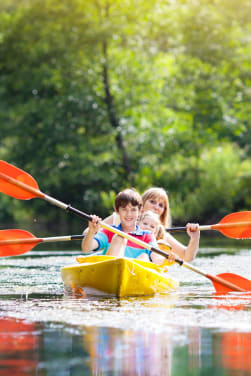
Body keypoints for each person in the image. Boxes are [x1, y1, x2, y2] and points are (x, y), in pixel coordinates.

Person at [103, 187, 200, 262]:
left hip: (141, 269)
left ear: (163, 211)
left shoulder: (162, 235)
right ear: (141, 204)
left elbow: (187, 256)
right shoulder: (119, 218)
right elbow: (90, 232)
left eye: (161, 205)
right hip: (114, 262)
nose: (156, 207)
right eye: (152, 201)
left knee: (145, 256)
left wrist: (195, 238)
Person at [81, 188, 161, 263]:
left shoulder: (147, 236)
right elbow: (86, 248)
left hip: (133, 273)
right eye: (124, 209)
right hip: (110, 270)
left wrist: (166, 259)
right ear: (117, 211)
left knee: (144, 256)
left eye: (133, 210)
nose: (128, 214)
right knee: (119, 238)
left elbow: (156, 258)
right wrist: (92, 231)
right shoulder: (109, 230)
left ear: (140, 211)